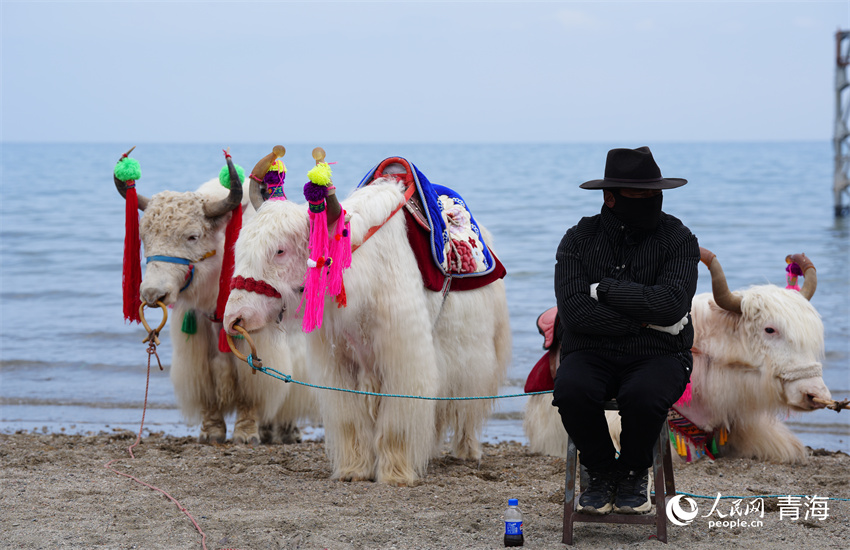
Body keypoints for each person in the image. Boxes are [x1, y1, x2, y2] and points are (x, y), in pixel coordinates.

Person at [552, 146, 699, 515]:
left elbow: (672, 305)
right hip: (591, 350)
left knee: (645, 395)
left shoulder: (679, 239)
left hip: (661, 355)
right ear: (610, 197)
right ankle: (600, 469)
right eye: (639, 194)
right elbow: (574, 313)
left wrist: (603, 290)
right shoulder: (578, 239)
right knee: (571, 390)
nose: (650, 201)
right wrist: (648, 323)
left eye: (654, 193)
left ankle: (634, 470)